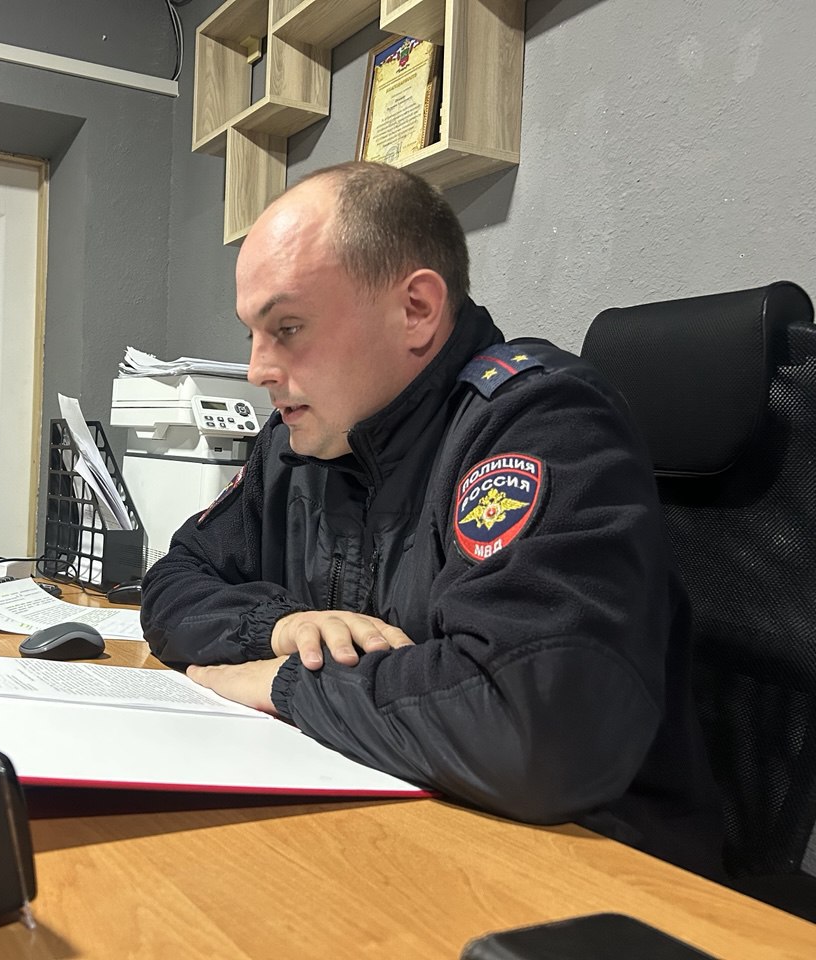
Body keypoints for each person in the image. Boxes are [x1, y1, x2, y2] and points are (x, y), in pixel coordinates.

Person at [139, 161, 723, 876]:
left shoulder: (539, 423)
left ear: (415, 310)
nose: (258, 369)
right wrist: (280, 628)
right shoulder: (297, 447)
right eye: (253, 334)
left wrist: (283, 682)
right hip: (384, 829)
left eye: (287, 327)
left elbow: (534, 725)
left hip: (584, 871)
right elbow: (174, 582)